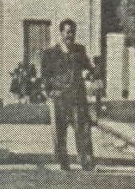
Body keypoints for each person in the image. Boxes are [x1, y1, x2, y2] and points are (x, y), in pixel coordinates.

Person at [40, 19, 95, 170]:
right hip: (59, 98)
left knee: (82, 129)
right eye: (68, 32)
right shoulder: (50, 54)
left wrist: (92, 73)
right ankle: (63, 162)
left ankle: (86, 161)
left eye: (73, 32)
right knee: (60, 130)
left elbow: (89, 67)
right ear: (61, 33)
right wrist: (49, 92)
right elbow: (45, 76)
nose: (71, 35)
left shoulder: (80, 51)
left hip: (77, 97)